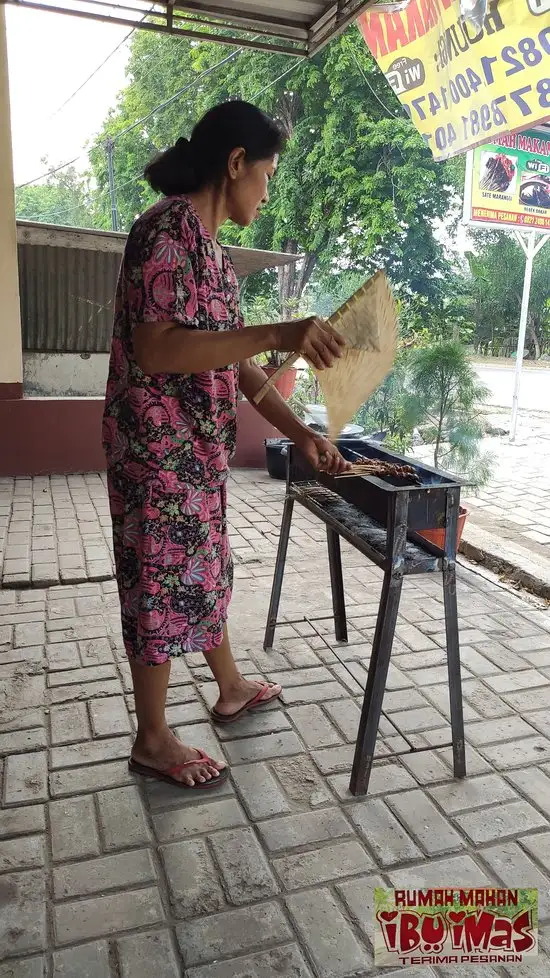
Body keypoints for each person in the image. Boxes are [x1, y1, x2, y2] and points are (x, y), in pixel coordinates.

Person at [102, 100, 350, 791]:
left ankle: (230, 686)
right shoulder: (165, 231)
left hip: (196, 456)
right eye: (266, 176)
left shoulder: (211, 252)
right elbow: (158, 347)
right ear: (235, 164)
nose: (267, 193)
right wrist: (278, 331)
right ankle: (151, 737)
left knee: (205, 567)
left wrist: (301, 435)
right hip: (155, 455)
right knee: (158, 583)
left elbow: (234, 365)